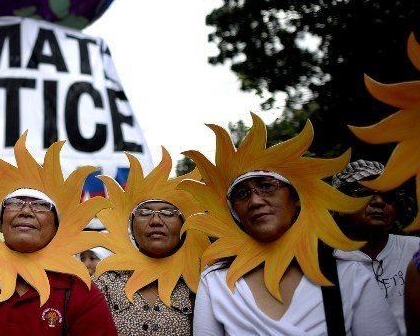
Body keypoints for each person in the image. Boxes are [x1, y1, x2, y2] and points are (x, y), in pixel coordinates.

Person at [182, 114, 400, 335]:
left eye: (267, 186)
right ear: (234, 213)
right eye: (242, 193)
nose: (255, 201)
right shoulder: (217, 283)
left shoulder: (350, 276)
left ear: (296, 199)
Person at [0, 136, 117, 335]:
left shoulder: (81, 293)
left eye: (40, 205)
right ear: (0, 222)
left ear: (56, 226)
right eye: (15, 203)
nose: (26, 211)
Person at [92, 150, 209, 336]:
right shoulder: (103, 283)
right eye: (145, 212)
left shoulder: (204, 283)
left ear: (185, 224)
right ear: (131, 224)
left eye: (168, 213)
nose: (156, 221)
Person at [332, 160, 420, 335]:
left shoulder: (416, 251)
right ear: (339, 204)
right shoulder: (323, 266)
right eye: (364, 193)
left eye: (388, 196)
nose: (379, 201)